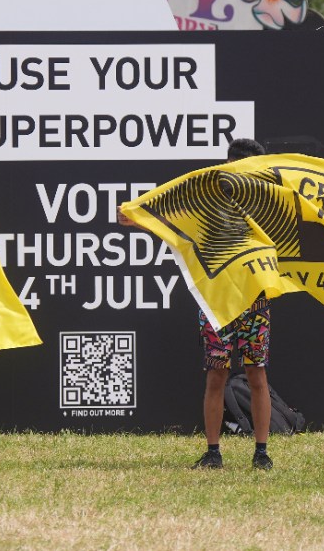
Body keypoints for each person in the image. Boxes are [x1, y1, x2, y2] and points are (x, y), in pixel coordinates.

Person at [119, 137, 274, 471]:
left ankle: (261, 452)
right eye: (247, 169)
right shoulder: (206, 198)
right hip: (216, 301)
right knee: (216, 376)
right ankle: (213, 452)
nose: (252, 176)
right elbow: (172, 218)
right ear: (230, 165)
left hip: (254, 301)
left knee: (257, 374)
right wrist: (138, 217)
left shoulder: (265, 201)